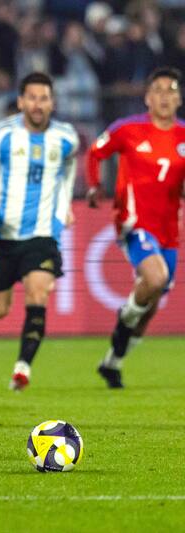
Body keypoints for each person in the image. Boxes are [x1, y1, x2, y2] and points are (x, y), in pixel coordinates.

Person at [0, 72, 80, 391]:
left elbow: (69, 168)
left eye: (43, 98)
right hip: (3, 235)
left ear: (52, 102)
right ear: (20, 101)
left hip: (43, 236)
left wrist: (65, 205)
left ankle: (22, 368)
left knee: (38, 292)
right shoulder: (2, 134)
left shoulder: (66, 137)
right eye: (31, 98)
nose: (37, 104)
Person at [86, 66, 185, 389]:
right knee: (154, 278)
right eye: (158, 89)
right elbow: (95, 153)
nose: (165, 96)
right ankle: (125, 315)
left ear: (179, 98)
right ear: (147, 97)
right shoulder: (127, 129)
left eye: (171, 90)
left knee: (150, 305)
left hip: (169, 229)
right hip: (133, 222)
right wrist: (93, 185)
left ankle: (112, 362)